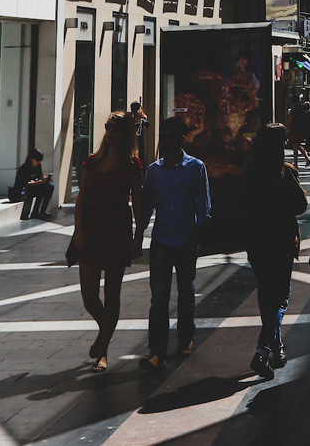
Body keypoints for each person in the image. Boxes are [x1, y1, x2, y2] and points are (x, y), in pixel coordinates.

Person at [137, 116, 212, 370]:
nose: (166, 141)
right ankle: (156, 351)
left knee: (185, 292)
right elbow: (146, 207)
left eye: (171, 136)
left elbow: (204, 203)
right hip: (161, 241)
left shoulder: (195, 167)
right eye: (163, 136)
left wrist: (201, 232)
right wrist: (138, 237)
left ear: (182, 138)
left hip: (186, 239)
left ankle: (185, 337)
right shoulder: (153, 171)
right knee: (158, 296)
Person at [73, 111, 143, 373]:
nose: (110, 132)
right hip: (91, 230)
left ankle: (102, 352)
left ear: (125, 133)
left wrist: (138, 237)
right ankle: (105, 334)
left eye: (115, 128)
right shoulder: (92, 162)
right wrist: (78, 230)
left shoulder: (132, 164)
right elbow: (81, 199)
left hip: (117, 231)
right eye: (107, 127)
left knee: (112, 294)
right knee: (89, 297)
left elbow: (137, 202)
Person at [242, 123, 308, 380]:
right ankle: (263, 350)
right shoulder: (285, 172)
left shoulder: (250, 172)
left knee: (266, 296)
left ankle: (277, 349)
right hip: (280, 242)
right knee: (280, 297)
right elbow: (301, 205)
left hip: (258, 243)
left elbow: (244, 208)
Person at [9, 149, 53, 219]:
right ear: (32, 159)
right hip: (24, 191)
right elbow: (26, 183)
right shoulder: (24, 169)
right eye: (37, 160)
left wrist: (46, 179)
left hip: (34, 187)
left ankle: (42, 210)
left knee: (50, 186)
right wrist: (40, 182)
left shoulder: (38, 166)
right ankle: (35, 212)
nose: (39, 163)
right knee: (42, 188)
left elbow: (39, 177)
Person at [130, 100, 149, 166]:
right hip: (136, 140)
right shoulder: (138, 119)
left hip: (135, 140)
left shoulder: (141, 120)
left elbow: (146, 125)